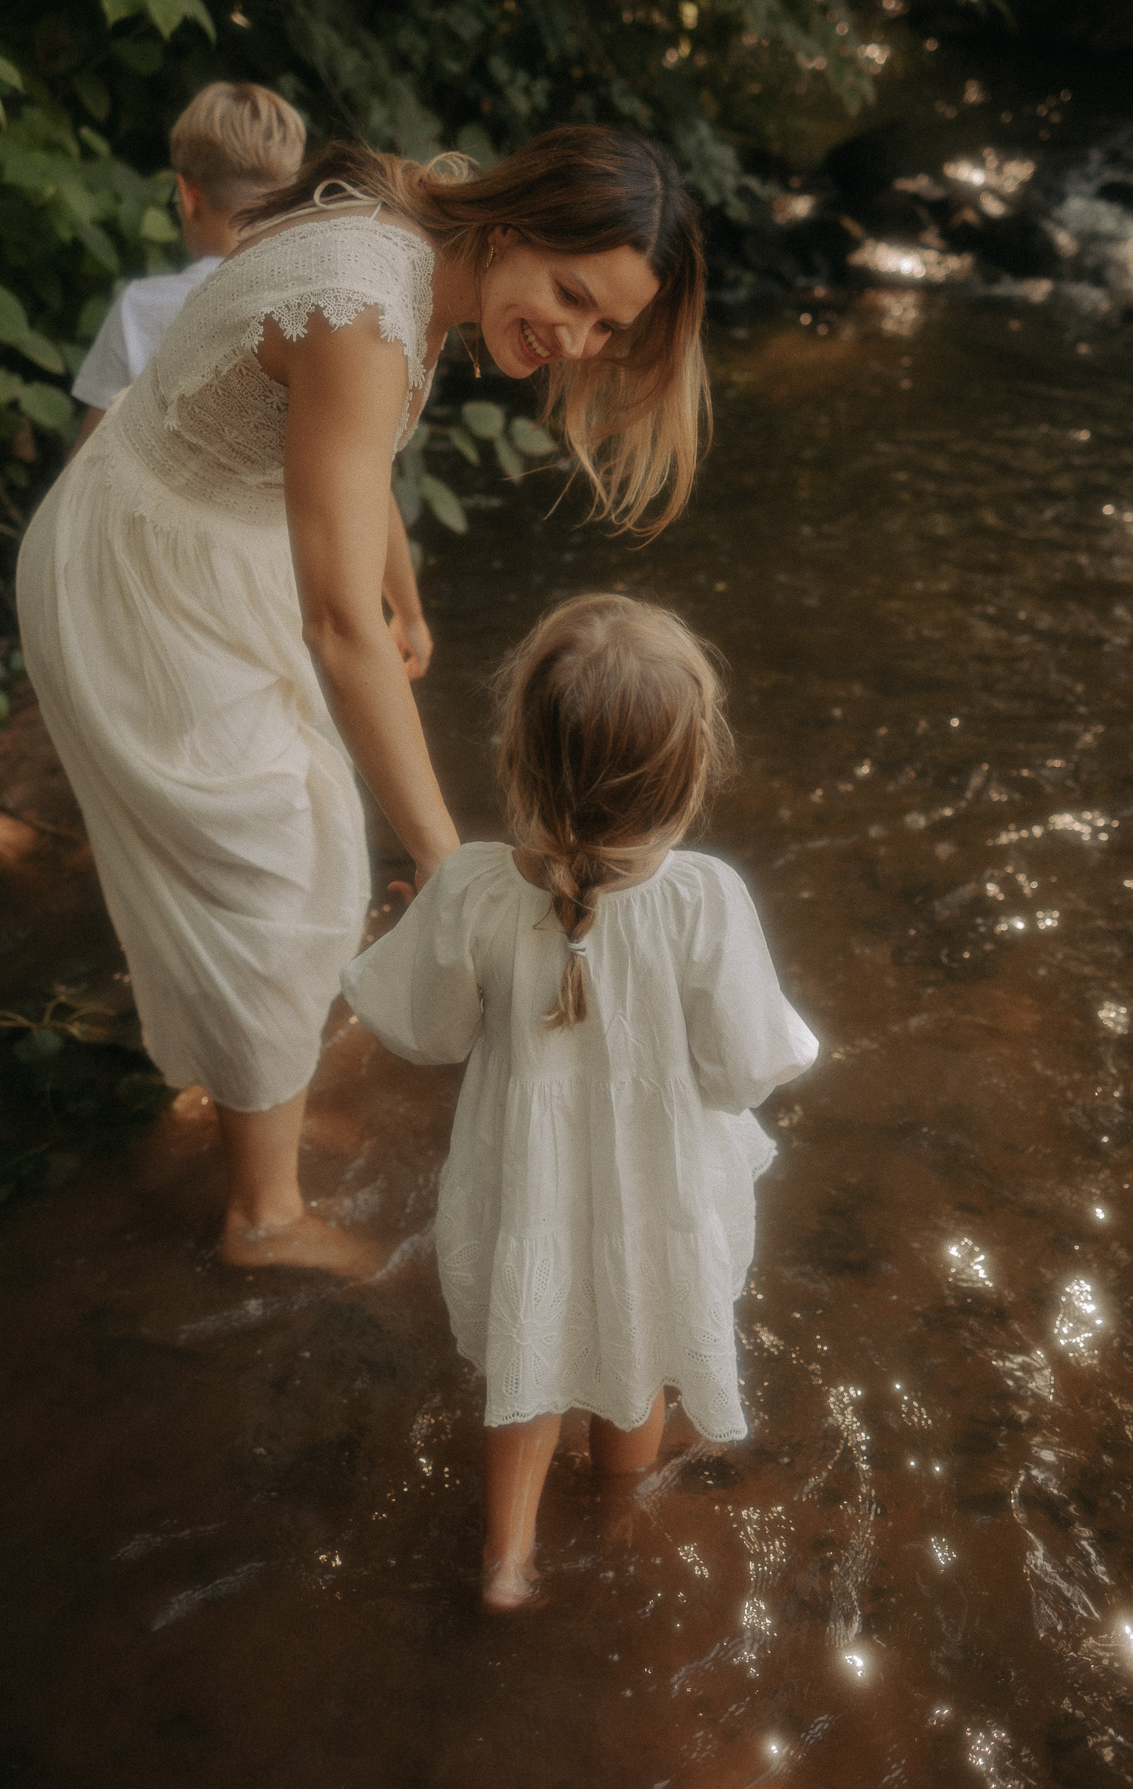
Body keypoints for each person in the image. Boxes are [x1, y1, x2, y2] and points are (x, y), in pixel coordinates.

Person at [17, 127, 711, 1274]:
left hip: (205, 541)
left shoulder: (418, 249)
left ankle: (237, 1079)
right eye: (570, 294)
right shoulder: (361, 304)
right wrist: (450, 865)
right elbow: (337, 629)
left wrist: (404, 593)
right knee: (279, 864)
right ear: (512, 226)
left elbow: (347, 456)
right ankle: (262, 1217)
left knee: (314, 843)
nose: (571, 340)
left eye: (604, 329)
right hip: (140, 576)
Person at [342, 594, 819, 1610]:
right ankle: (616, 1519)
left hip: (523, 1183)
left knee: (526, 1356)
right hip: (657, 1190)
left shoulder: (473, 887)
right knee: (632, 1359)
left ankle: (506, 1558)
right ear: (688, 770)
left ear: (518, 754)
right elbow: (744, 1066)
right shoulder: (703, 898)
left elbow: (425, 1032)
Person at [71, 82, 307, 446]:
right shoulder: (314, 308)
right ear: (286, 199)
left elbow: (86, 469)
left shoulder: (140, 308)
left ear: (188, 194)